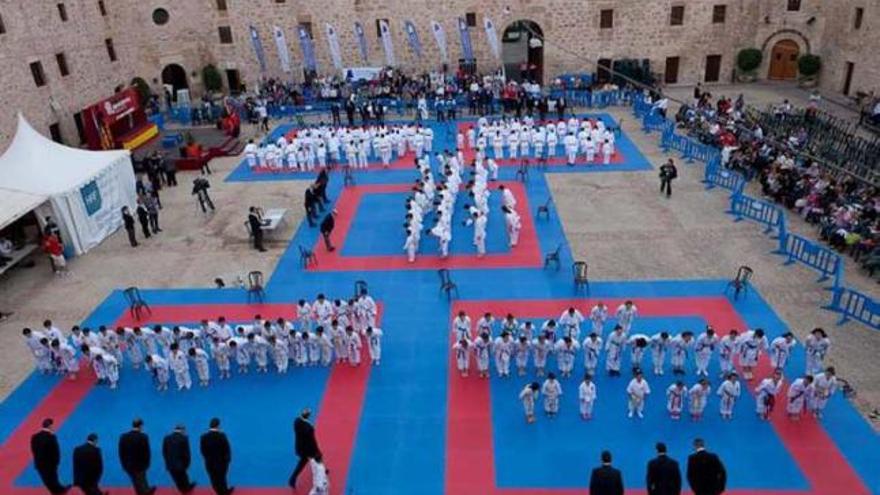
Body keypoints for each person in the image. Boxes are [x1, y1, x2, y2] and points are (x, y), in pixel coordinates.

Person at [30, 418, 70, 494]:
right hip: (50, 464)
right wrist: (57, 462)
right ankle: (58, 491)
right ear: (50, 426)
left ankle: (59, 489)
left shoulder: (35, 437)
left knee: (46, 479)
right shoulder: (51, 437)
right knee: (53, 478)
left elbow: (33, 449)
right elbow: (55, 451)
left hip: (39, 463)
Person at [118, 418, 155, 495]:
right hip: (141, 464)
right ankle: (146, 491)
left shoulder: (123, 437)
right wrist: (147, 463)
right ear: (141, 426)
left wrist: (123, 464)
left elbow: (121, 452)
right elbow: (147, 452)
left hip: (129, 464)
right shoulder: (144, 437)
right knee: (140, 480)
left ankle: (147, 490)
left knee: (137, 480)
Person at [290, 408, 322, 489]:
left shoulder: (296, 421)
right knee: (307, 462)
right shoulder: (308, 428)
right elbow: (311, 440)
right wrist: (316, 449)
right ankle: (292, 479)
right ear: (308, 416)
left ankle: (292, 479)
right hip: (308, 449)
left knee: (302, 463)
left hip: (300, 447)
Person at [200, 418, 233, 495]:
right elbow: (227, 448)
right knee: (222, 478)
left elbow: (203, 450)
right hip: (222, 463)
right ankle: (225, 492)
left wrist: (207, 459)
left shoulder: (204, 437)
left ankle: (218, 492)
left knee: (213, 478)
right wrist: (228, 460)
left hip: (210, 463)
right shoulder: (222, 436)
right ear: (218, 426)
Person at [163, 425, 197, 493]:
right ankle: (187, 489)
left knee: (178, 481)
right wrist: (187, 464)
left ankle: (184, 489)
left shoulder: (166, 438)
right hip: (180, 465)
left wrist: (167, 462)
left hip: (170, 465)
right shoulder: (184, 438)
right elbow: (186, 453)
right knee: (184, 481)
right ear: (182, 430)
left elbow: (164, 452)